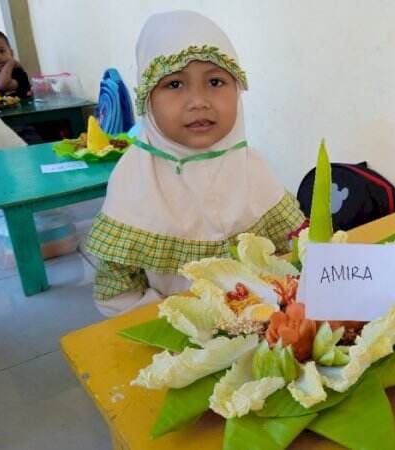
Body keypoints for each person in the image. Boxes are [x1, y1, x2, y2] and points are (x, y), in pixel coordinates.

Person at [86, 10, 306, 316]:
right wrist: (190, 323)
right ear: (146, 98)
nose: (198, 101)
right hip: (174, 339)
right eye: (174, 84)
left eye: (216, 81)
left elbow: (292, 256)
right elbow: (117, 295)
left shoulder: (254, 170)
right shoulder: (132, 183)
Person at [0, 29, 31, 99]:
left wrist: (11, 62)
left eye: (2, 51)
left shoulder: (17, 72)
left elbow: (2, 85)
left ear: (11, 53)